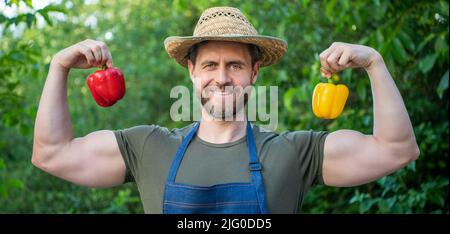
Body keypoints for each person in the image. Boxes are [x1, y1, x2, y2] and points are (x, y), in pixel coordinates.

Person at [32, 6, 419, 214]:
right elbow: (51, 154)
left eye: (234, 65)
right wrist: (59, 67)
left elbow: (396, 150)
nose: (222, 77)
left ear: (253, 72)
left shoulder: (294, 152)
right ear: (192, 72)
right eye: (210, 65)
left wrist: (375, 64)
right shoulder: (148, 147)